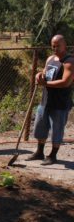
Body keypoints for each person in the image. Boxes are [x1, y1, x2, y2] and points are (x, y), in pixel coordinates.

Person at [26, 34, 74, 165]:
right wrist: (38, 75)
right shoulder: (50, 59)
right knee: (40, 127)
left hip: (60, 103)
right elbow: (44, 73)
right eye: (53, 46)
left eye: (58, 46)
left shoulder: (69, 61)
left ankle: (53, 155)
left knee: (56, 130)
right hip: (45, 100)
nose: (55, 48)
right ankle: (39, 152)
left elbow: (65, 82)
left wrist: (45, 84)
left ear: (65, 45)